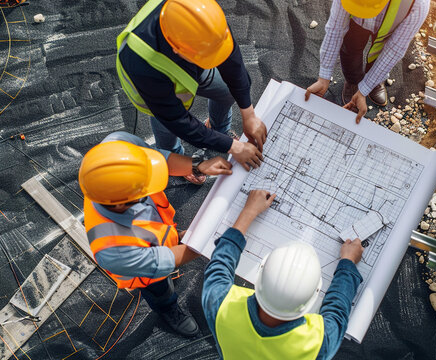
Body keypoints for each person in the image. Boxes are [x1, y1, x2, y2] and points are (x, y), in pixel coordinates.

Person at [79, 131, 233, 337]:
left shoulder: (116, 148)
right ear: (121, 202)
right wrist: (210, 239)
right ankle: (168, 309)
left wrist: (196, 164)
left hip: (158, 233)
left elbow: (158, 158)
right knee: (159, 289)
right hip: (144, 272)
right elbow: (168, 259)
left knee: (171, 239)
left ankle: (174, 238)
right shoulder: (114, 249)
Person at [116, 0, 267, 184]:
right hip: (154, 91)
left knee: (226, 91)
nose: (214, 62)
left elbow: (232, 62)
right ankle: (181, 162)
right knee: (167, 131)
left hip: (190, 64)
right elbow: (177, 120)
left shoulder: (204, 18)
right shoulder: (140, 62)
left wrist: (248, 113)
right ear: (176, 48)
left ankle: (219, 129)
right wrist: (234, 147)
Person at [201, 189, 364, 359]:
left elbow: (220, 264)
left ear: (261, 271)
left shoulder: (221, 305)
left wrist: (249, 211)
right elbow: (338, 311)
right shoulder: (318, 344)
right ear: (315, 294)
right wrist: (348, 263)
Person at [305, 0, 430, 123]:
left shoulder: (417, 4)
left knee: (378, 55)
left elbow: (394, 50)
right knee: (350, 50)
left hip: (389, 28)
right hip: (356, 24)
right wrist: (324, 77)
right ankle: (353, 81)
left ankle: (375, 83)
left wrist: (365, 88)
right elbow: (335, 29)